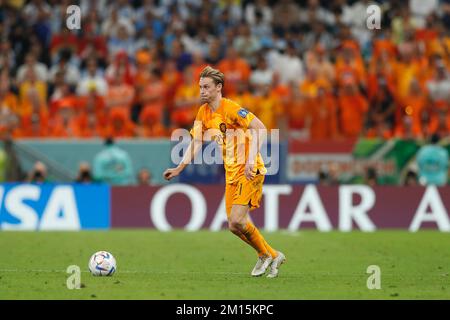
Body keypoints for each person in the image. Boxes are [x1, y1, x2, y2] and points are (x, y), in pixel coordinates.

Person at [163, 66, 285, 278]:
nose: (201, 91)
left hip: (249, 169)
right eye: (200, 87)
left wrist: (249, 160)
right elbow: (197, 141)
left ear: (218, 88)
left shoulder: (231, 109)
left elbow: (261, 128)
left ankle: (265, 255)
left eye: (206, 87)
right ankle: (273, 254)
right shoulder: (203, 112)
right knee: (233, 226)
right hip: (232, 173)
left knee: (238, 219)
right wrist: (179, 167)